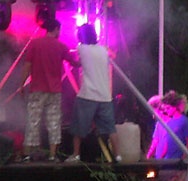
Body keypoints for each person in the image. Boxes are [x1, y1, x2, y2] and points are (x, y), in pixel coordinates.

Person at [20, 17, 71, 161]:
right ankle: (52, 155)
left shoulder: (35, 44)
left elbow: (27, 66)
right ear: (56, 29)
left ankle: (27, 154)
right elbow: (75, 62)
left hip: (37, 89)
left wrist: (21, 84)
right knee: (54, 122)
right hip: (55, 90)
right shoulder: (61, 46)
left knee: (33, 121)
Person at [68, 23, 117, 162]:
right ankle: (118, 156)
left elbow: (77, 61)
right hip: (105, 96)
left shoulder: (81, 48)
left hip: (87, 95)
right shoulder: (103, 49)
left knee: (78, 128)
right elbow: (113, 55)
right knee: (110, 129)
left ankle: (76, 155)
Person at [147, 91, 188, 160]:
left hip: (174, 161)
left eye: (168, 108)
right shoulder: (164, 123)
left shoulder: (183, 121)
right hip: (163, 161)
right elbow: (159, 141)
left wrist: (183, 157)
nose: (166, 110)